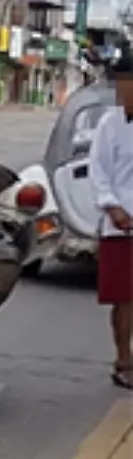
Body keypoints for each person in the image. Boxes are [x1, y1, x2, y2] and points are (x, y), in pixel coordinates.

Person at [90, 52, 133, 389]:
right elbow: (98, 170)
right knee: (124, 298)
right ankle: (123, 359)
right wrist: (112, 207)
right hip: (121, 223)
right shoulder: (110, 123)